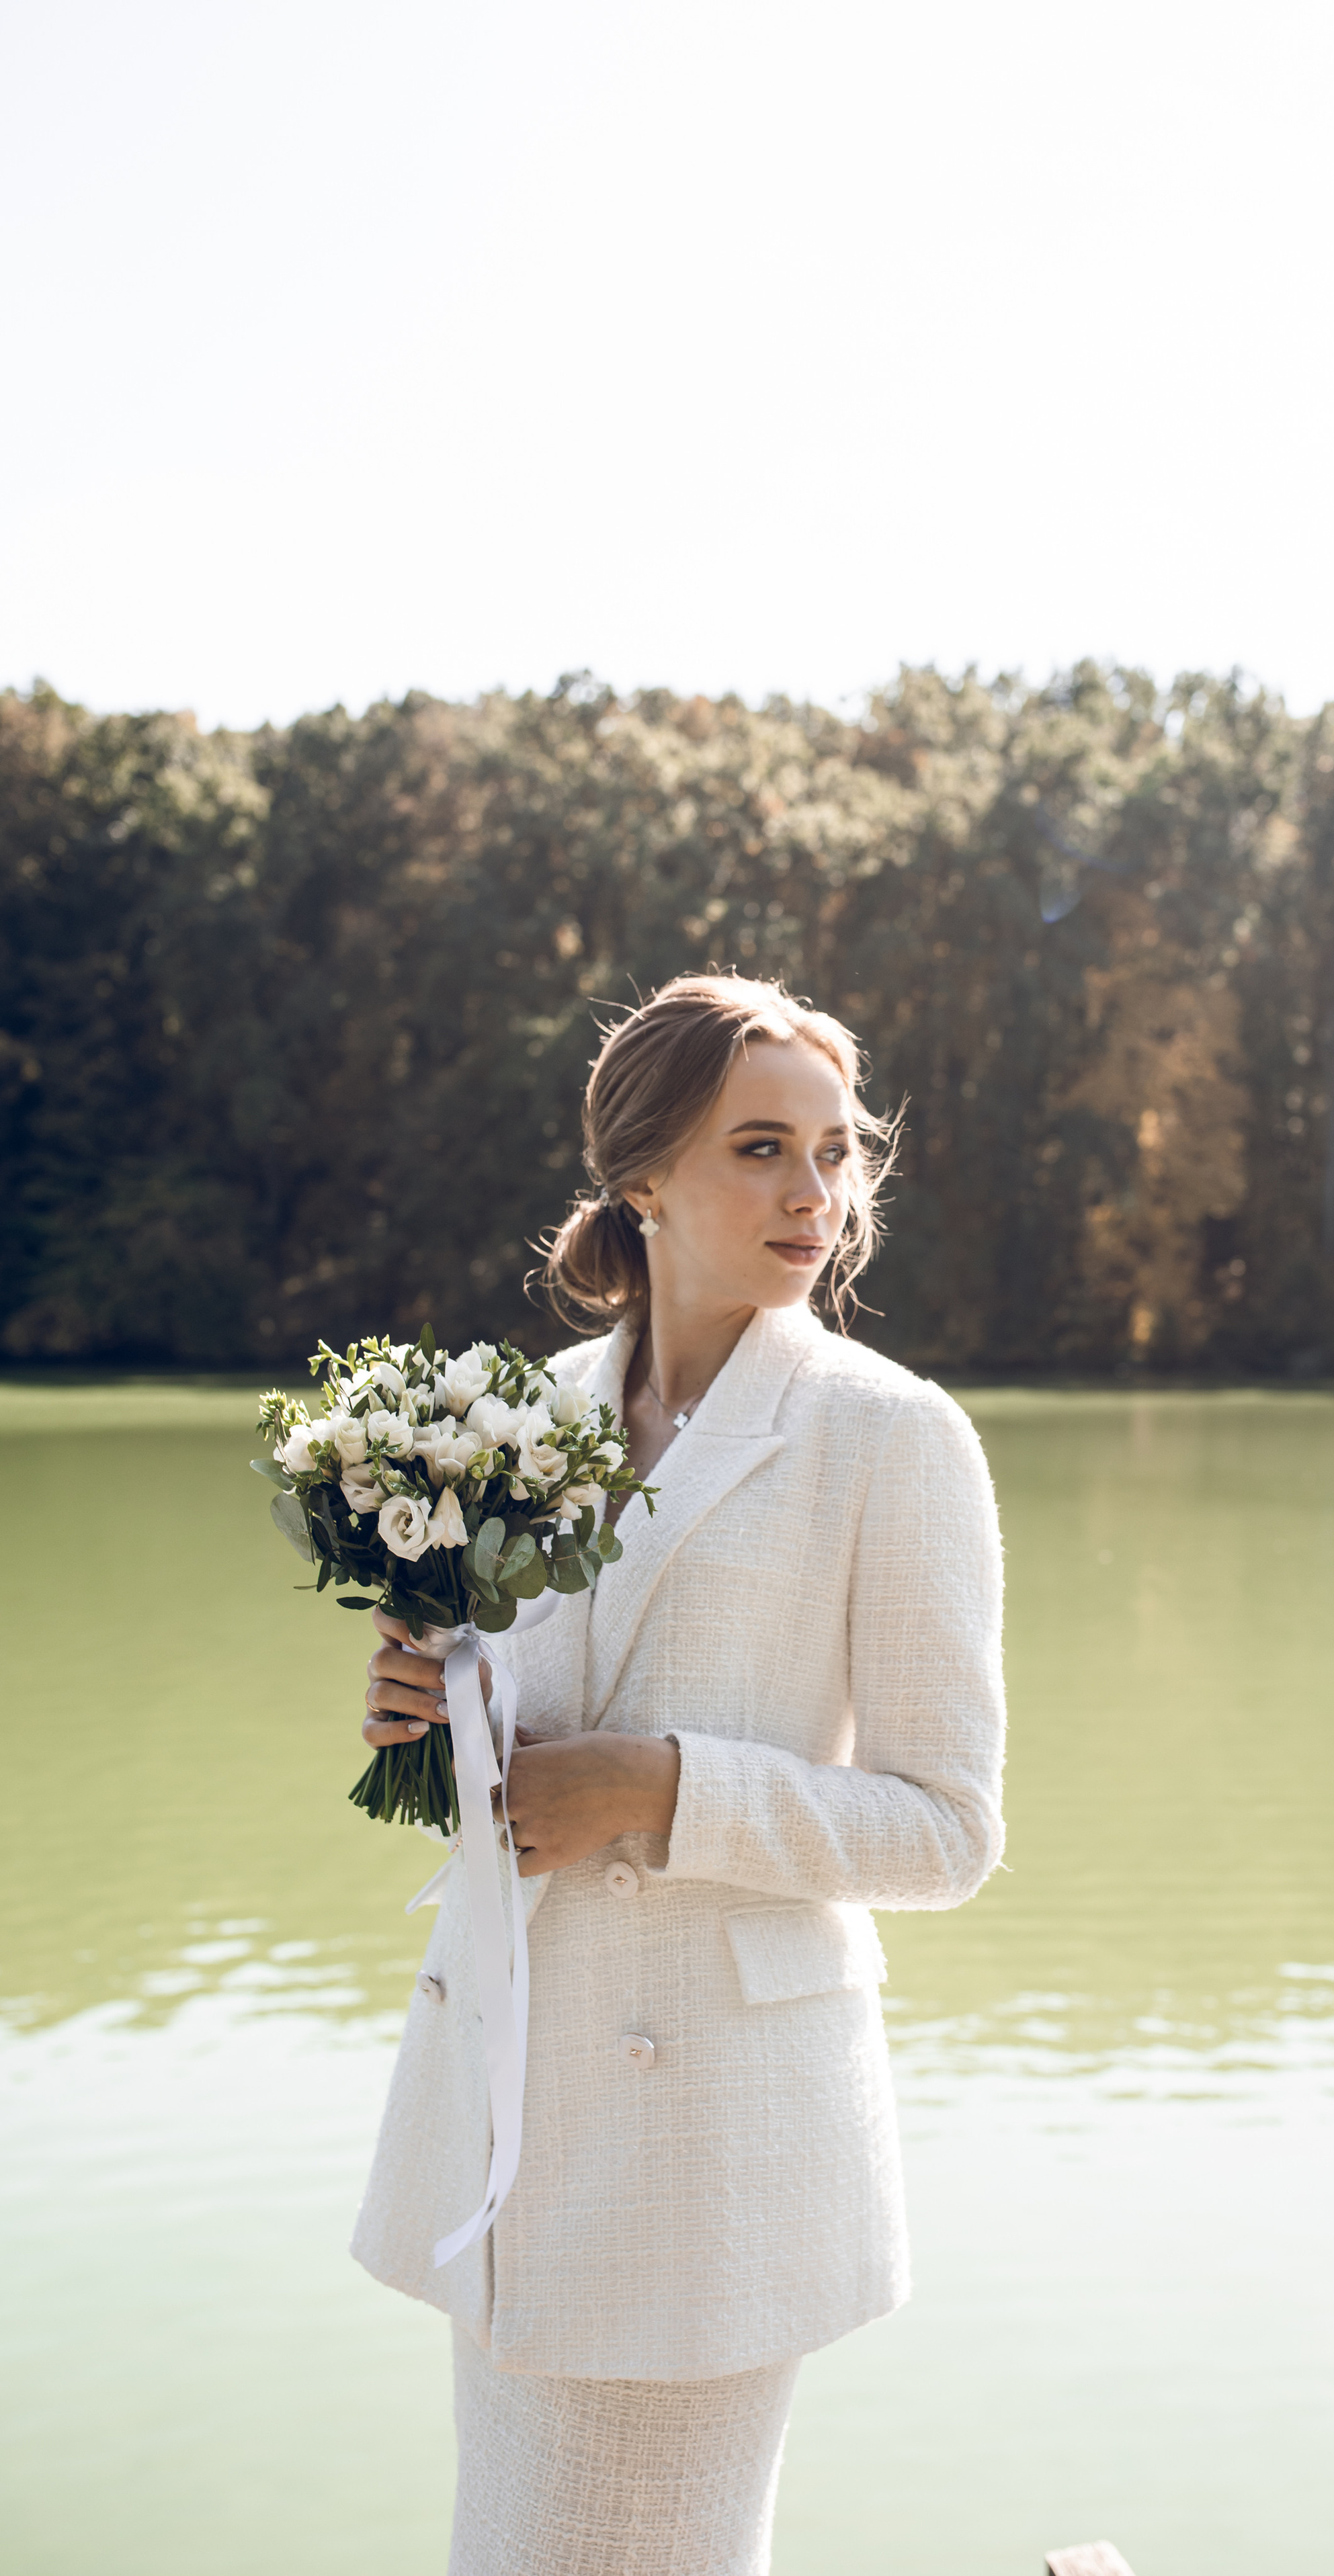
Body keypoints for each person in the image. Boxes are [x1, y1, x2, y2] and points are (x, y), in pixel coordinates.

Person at [350, 974, 1007, 2576]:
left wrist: (661, 1789)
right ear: (641, 1178)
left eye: (835, 1153)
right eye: (761, 1148)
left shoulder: (889, 1438)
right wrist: (438, 1712)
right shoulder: (526, 1419)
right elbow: (535, 1750)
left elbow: (946, 1831)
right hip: (512, 2099)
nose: (813, 1194)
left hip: (708, 2143)